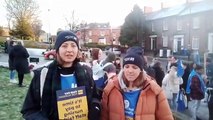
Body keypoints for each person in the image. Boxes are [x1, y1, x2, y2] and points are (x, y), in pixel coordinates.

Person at [21, 31, 101, 120]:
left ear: (78, 50)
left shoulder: (86, 72)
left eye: (73, 46)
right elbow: (29, 110)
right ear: (57, 49)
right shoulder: (42, 75)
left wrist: (95, 107)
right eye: (64, 46)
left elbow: (95, 97)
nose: (69, 50)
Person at [101, 53, 173, 120]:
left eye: (134, 67)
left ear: (141, 70)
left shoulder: (154, 90)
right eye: (127, 67)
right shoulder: (111, 88)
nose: (130, 71)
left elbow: (166, 117)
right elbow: (104, 116)